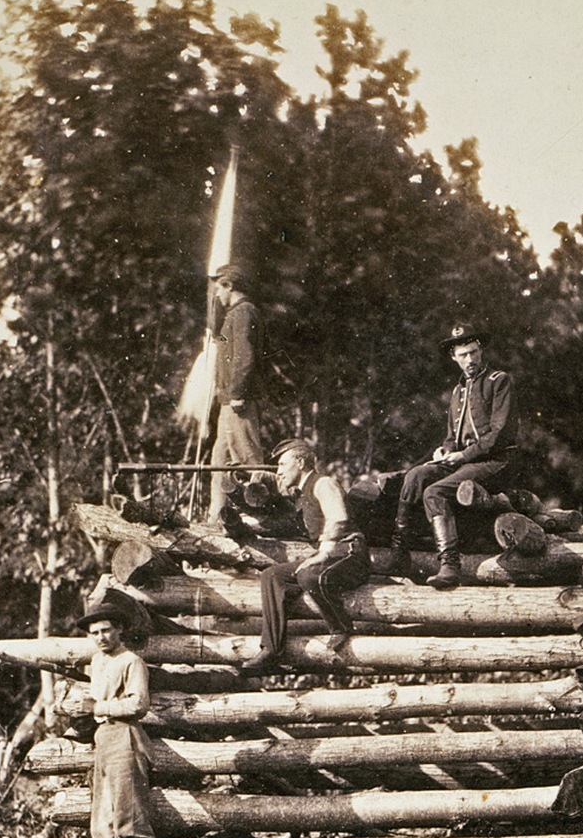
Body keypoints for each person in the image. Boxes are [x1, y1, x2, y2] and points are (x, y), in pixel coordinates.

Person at [383, 322, 519, 589]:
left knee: (434, 492)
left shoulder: (498, 381)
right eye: (463, 355)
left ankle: (450, 565)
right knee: (415, 475)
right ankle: (399, 552)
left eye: (473, 352)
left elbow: (500, 434)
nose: (470, 359)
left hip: (495, 462)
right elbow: (451, 436)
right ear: (453, 357)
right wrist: (445, 451)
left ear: (480, 351)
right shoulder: (458, 391)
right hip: (465, 461)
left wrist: (462, 455)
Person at [241, 439, 371, 675]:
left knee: (311, 576)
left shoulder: (323, 483)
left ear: (300, 462)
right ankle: (271, 649)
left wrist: (323, 552)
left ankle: (340, 628)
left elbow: (338, 518)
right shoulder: (300, 493)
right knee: (272, 576)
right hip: (332, 555)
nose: (278, 471)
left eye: (282, 464)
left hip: (350, 552)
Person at [68, 595, 162, 838]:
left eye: (106, 630)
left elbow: (139, 704)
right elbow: (94, 704)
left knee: (130, 818)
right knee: (101, 828)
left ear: (119, 629)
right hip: (104, 739)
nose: (101, 637)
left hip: (126, 737)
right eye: (94, 633)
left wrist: (99, 707)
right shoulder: (97, 662)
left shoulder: (131, 661)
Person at [207, 262, 264, 525]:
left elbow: (244, 356)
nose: (216, 294)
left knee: (247, 459)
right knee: (220, 461)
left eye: (219, 287)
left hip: (237, 401)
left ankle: (262, 514)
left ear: (230, 286)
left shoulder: (244, 313)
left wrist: (238, 392)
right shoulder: (234, 314)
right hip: (228, 401)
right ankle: (216, 517)